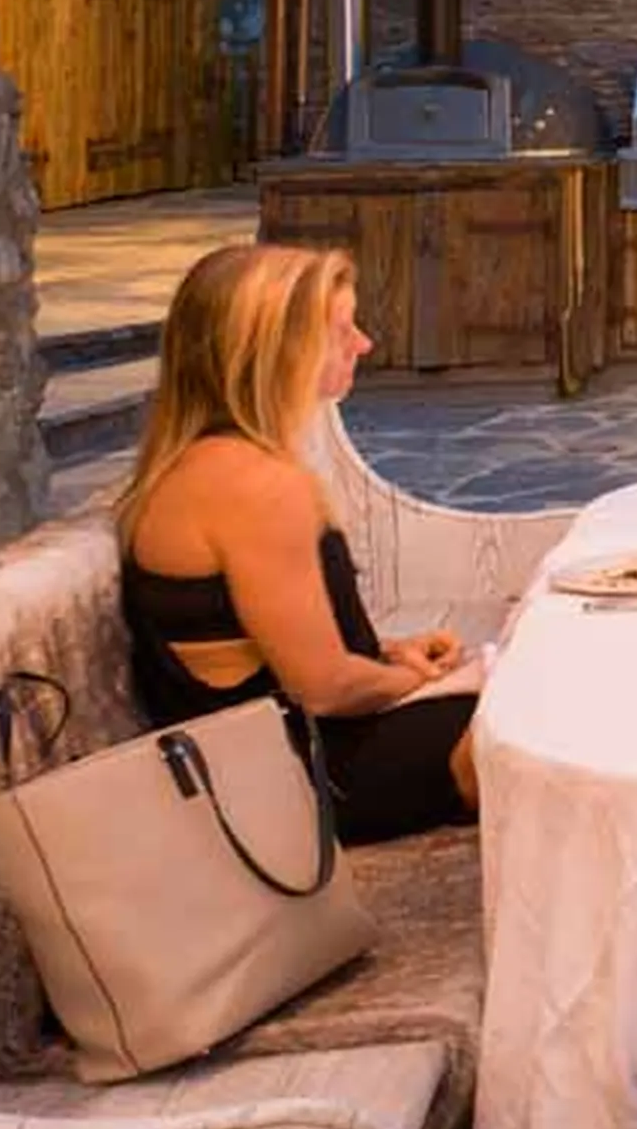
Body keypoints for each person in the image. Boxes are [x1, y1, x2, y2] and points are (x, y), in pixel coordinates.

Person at [117, 242, 481, 842]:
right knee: (534, 720)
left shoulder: (196, 465)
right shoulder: (255, 485)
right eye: (341, 331)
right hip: (302, 775)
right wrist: (421, 682)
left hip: (264, 755)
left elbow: (249, 648)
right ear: (274, 352)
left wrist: (389, 654)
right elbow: (325, 689)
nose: (364, 344)